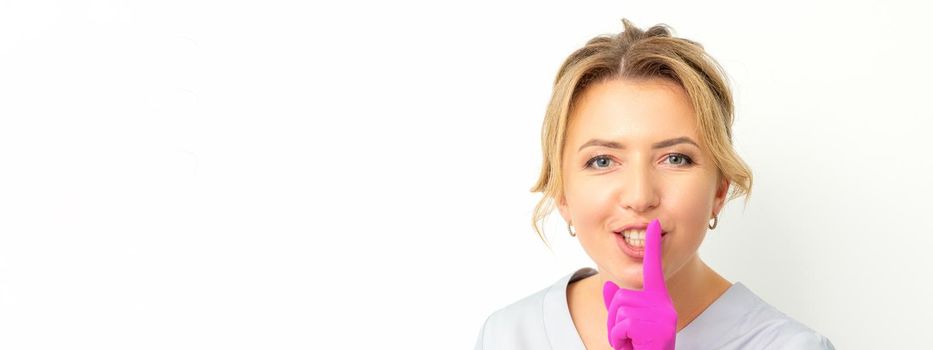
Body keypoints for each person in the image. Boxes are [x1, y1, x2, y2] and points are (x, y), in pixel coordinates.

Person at [473, 18, 836, 350]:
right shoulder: (508, 334)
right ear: (562, 193)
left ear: (719, 190)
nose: (639, 197)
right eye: (602, 161)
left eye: (675, 159)